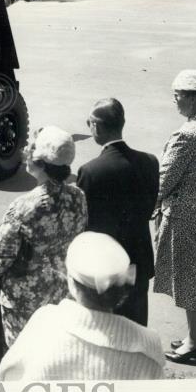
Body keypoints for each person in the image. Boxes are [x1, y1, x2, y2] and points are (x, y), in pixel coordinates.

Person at [0, 232, 165, 382]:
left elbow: (7, 379)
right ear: (123, 289)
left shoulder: (43, 324)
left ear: (71, 282)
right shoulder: (149, 344)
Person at [0, 125, 87, 345]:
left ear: (41, 163)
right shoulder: (78, 196)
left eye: (30, 151)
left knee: (22, 360)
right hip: (62, 295)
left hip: (25, 301)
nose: (25, 155)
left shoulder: (24, 206)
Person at [154, 69, 196, 364]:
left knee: (190, 277)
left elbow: (165, 178)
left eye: (179, 95)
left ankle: (194, 342)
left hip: (185, 210)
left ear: (194, 98)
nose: (175, 100)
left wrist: (151, 203)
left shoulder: (187, 133)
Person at [76, 99, 159, 325]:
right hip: (139, 256)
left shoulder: (90, 171)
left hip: (105, 263)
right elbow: (149, 206)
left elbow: (85, 221)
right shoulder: (150, 162)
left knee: (106, 327)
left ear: (96, 127)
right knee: (137, 323)